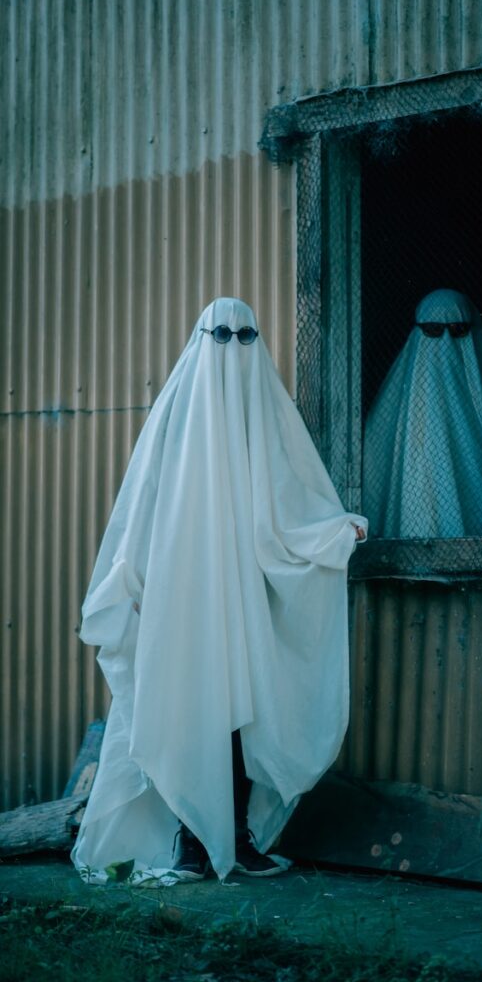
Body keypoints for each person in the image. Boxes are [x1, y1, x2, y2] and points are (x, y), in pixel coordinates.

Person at [71, 297, 367, 885]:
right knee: (186, 707)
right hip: (181, 599)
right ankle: (189, 838)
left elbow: (290, 501)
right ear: (201, 341)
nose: (233, 349)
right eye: (221, 336)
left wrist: (333, 533)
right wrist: (132, 581)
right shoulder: (176, 418)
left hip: (246, 602)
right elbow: (143, 506)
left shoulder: (269, 420)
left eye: (245, 336)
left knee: (239, 717)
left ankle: (234, 837)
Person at [362, 288, 482, 539]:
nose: (446, 342)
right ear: (419, 331)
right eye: (434, 330)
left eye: (458, 330)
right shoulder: (393, 405)